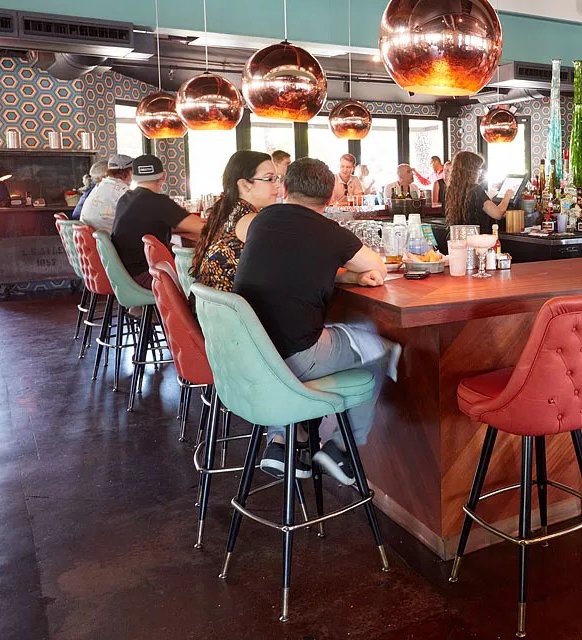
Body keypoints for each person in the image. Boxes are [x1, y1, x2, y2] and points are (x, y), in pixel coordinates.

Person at [232, 157, 398, 483]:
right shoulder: (329, 232)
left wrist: (345, 276)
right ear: (331, 196)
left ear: (285, 187)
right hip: (296, 357)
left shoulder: (262, 221)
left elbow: (292, 266)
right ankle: (341, 448)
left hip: (250, 356)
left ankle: (282, 442)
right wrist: (354, 272)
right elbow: (376, 264)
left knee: (295, 336)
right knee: (381, 349)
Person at [191, 150, 280, 291]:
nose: (278, 185)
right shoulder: (251, 221)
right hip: (231, 304)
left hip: (210, 303)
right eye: (269, 179)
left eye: (277, 178)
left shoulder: (229, 211)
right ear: (244, 185)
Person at [110, 154, 205, 286]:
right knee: (209, 271)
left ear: (133, 176)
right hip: (149, 275)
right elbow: (203, 228)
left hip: (125, 274)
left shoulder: (125, 198)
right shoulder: (159, 202)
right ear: (163, 176)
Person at [444, 150, 512, 227]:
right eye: (479, 169)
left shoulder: (452, 189)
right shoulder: (475, 190)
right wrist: (508, 195)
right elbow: (498, 214)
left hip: (460, 234)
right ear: (472, 171)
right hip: (477, 234)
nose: (480, 173)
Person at [80, 154, 134, 233]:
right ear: (129, 172)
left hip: (88, 236)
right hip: (106, 238)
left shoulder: (100, 186)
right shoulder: (123, 192)